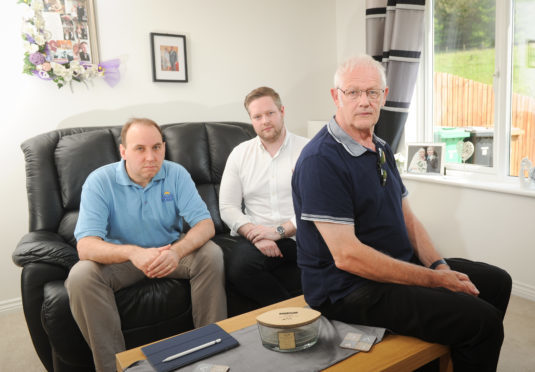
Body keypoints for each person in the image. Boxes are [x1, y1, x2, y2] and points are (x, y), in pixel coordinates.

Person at [292, 55, 512, 372]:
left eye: (373, 92)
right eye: (352, 92)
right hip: (346, 289)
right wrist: (435, 280)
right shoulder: (320, 160)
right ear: (335, 96)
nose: (364, 101)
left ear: (385, 95)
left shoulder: (380, 148)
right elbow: (347, 257)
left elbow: (408, 218)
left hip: (392, 265)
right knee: (483, 322)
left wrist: (440, 265)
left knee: (496, 283)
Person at [65, 118, 227, 372]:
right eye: (140, 148)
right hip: (123, 261)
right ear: (123, 152)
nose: (151, 156)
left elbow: (205, 224)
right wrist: (132, 253)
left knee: (211, 253)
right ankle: (114, 367)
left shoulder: (176, 173)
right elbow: (85, 246)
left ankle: (212, 353)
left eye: (157, 147)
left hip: (169, 252)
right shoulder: (99, 181)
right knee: (80, 275)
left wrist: (177, 251)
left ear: (164, 147)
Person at [219, 87, 309, 306]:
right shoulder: (240, 153)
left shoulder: (308, 150)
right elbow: (227, 206)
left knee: (329, 264)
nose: (265, 121)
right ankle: (293, 315)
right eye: (257, 116)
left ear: (282, 111)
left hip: (301, 235)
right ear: (251, 120)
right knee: (239, 269)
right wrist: (255, 234)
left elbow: (315, 206)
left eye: (270, 113)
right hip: (257, 236)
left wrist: (279, 231)